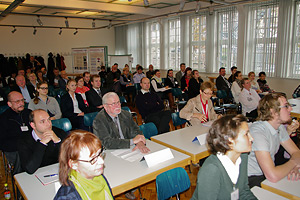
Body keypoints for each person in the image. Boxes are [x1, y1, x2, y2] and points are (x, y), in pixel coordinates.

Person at [191, 114, 257, 200]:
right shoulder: (211, 170)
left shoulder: (242, 156)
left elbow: (243, 191)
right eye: (246, 134)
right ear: (230, 140)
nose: (252, 138)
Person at [248, 93, 300, 188]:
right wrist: (294, 163)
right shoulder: (258, 131)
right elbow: (272, 176)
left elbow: (296, 152)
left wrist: (296, 167)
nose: (290, 109)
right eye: (286, 106)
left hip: (267, 173)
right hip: (251, 179)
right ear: (273, 111)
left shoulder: (279, 127)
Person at [54, 130, 114, 200]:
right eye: (92, 159)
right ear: (73, 164)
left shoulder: (98, 177)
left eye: (99, 154)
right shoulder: (68, 197)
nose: (102, 161)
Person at [18, 109, 66, 174]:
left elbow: (70, 159)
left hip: (56, 171)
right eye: (42, 121)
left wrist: (58, 141)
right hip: (35, 175)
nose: (48, 124)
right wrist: (42, 143)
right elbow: (30, 169)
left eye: (49, 119)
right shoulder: (23, 140)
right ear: (33, 125)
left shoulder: (59, 133)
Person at [0, 91, 32, 174]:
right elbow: (3, 142)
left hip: (30, 144)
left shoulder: (28, 113)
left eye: (22, 100)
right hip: (14, 149)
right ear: (9, 104)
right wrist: (22, 145)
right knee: (22, 156)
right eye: (17, 101)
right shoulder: (3, 119)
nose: (21, 103)